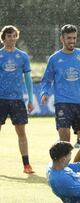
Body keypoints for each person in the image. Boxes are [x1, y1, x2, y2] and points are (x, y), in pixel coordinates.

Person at [41, 24, 80, 162]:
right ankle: (60, 172)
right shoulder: (54, 59)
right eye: (69, 38)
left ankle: (71, 170)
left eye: (74, 38)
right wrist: (45, 92)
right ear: (62, 39)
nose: (72, 41)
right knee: (65, 143)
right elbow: (46, 80)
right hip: (63, 104)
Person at [0, 25, 34, 173]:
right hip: (1, 99)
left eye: (14, 36)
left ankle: (26, 165)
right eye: (9, 36)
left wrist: (31, 99)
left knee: (21, 133)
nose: (12, 39)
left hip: (17, 101)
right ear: (3, 38)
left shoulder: (23, 56)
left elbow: (28, 80)